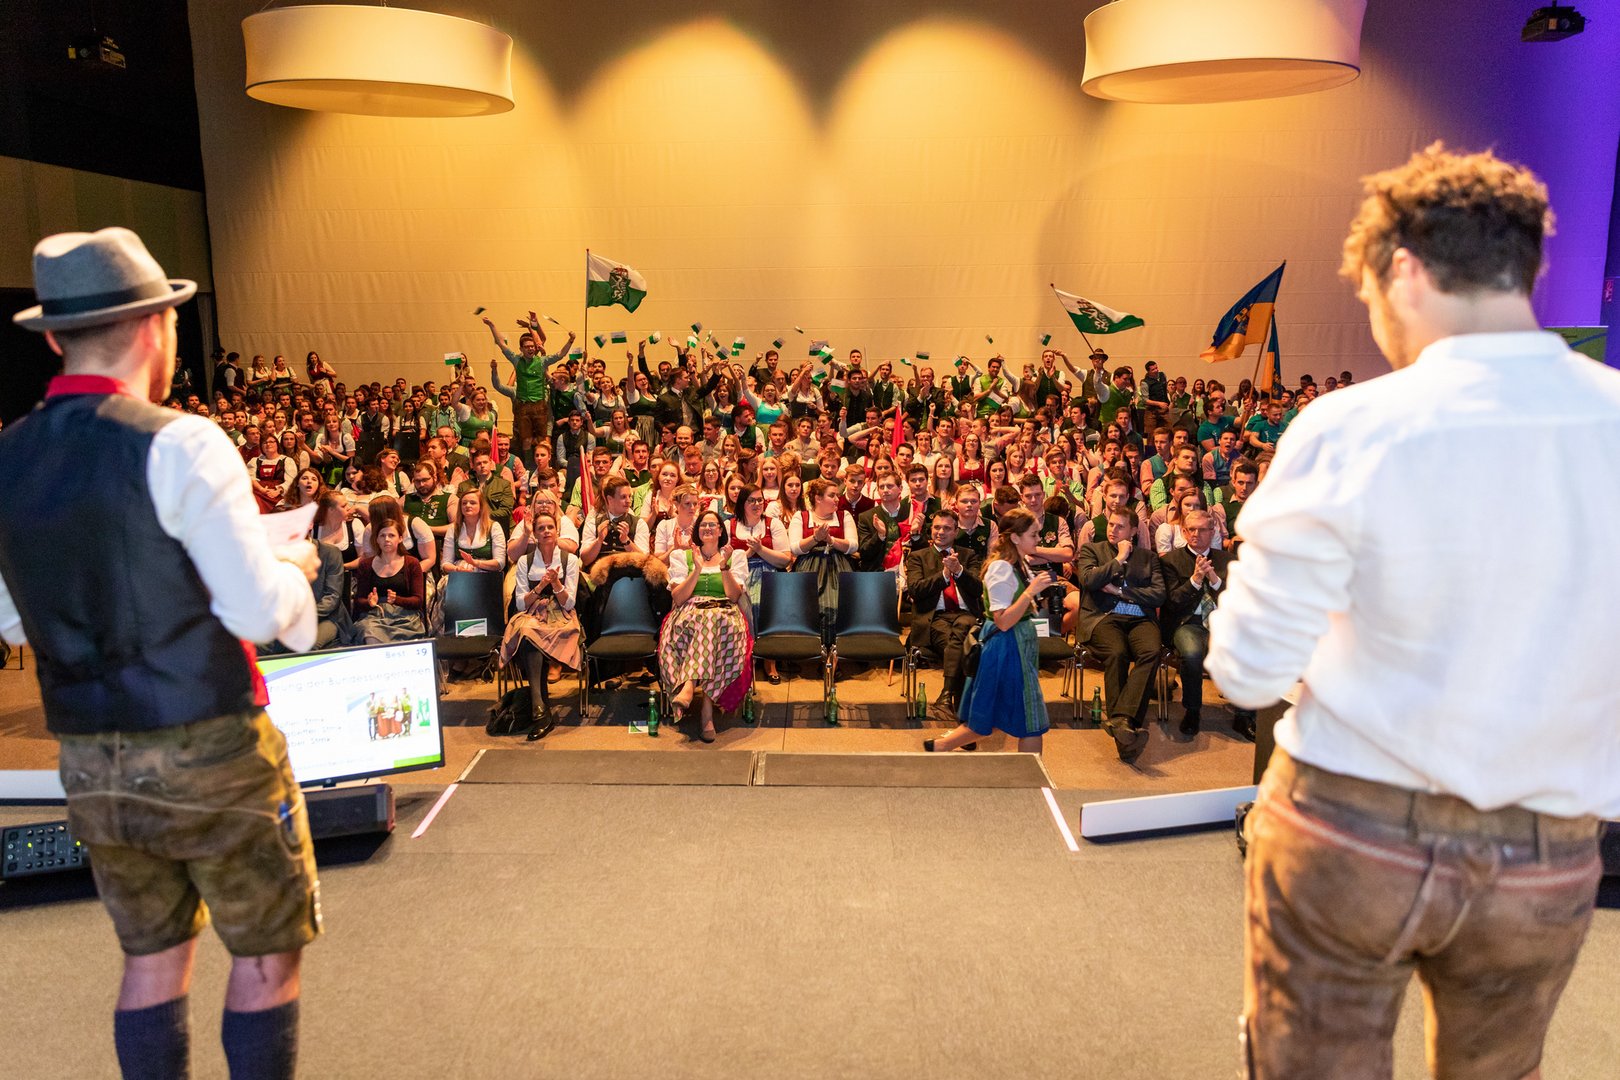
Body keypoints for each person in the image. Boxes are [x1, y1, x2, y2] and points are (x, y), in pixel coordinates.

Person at [1208, 144, 1620, 1079]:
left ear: (1403, 270)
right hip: (1546, 849)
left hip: (1349, 833)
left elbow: (1245, 671)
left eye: (1367, 297)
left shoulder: (1351, 426)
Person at [0, 227, 320, 1080]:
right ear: (154, 326)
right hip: (208, 742)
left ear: (59, 339)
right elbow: (256, 611)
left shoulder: (9, 456)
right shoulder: (181, 441)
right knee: (264, 954)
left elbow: (14, 621)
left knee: (151, 958)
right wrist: (295, 569)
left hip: (89, 757)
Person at [924, 507, 1053, 753]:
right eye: (1033, 534)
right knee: (1030, 720)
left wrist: (1039, 598)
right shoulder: (1000, 568)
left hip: (1018, 643)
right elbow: (1002, 620)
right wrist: (1030, 592)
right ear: (1015, 538)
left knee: (994, 712)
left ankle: (940, 745)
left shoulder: (1020, 564)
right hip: (1007, 646)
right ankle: (1032, 776)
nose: (1038, 539)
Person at [1077, 506, 1166, 761]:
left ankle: (1121, 720)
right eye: (1111, 524)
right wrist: (1118, 558)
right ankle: (1125, 732)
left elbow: (1158, 595)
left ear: (1134, 530)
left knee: (1151, 651)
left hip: (1140, 619)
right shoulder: (1092, 550)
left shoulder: (1148, 558)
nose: (1113, 530)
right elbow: (1089, 580)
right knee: (1117, 653)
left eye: (1120, 526)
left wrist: (1120, 592)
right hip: (1103, 617)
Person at [660, 509, 752, 743]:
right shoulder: (682, 557)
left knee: (711, 621)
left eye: (713, 525)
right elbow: (679, 598)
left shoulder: (735, 556)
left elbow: (733, 596)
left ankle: (691, 686)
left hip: (725, 612)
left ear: (721, 531)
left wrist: (724, 567)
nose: (708, 528)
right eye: (703, 525)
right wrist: (697, 569)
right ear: (697, 531)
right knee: (706, 623)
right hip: (688, 613)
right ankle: (706, 713)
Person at [498, 510, 581, 740]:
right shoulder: (525, 561)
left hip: (561, 615)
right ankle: (539, 707)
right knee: (526, 631)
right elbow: (520, 603)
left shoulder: (569, 560)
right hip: (533, 612)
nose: (546, 531)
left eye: (550, 527)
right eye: (541, 528)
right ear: (534, 534)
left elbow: (569, 603)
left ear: (557, 531)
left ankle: (539, 707)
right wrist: (540, 586)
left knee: (530, 634)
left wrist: (556, 584)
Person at [1156, 510, 1236, 742]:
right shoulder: (1170, 561)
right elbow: (1172, 602)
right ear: (1183, 532)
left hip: (1221, 623)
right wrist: (1195, 580)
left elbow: (1237, 600)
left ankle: (1244, 714)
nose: (1196, 534)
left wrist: (1215, 580)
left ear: (1212, 532)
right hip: (1186, 623)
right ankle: (1192, 711)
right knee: (1191, 655)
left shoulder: (1228, 561)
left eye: (1202, 530)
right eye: (1191, 529)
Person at [904, 508, 985, 710]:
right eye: (937, 527)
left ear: (956, 531)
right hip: (935, 618)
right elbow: (916, 590)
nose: (940, 532)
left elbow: (978, 589)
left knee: (962, 627)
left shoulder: (968, 555)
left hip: (965, 615)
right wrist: (944, 575)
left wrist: (959, 571)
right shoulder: (918, 557)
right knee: (961, 645)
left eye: (947, 528)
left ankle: (948, 693)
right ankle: (961, 703)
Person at [788, 478, 858, 644]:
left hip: (839, 567)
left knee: (837, 607)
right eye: (832, 495)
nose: (837, 499)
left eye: (837, 495)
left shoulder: (844, 515)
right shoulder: (801, 516)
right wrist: (815, 538)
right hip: (809, 569)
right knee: (810, 607)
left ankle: (835, 651)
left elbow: (853, 546)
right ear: (818, 498)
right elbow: (795, 548)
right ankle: (813, 649)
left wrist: (830, 540)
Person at [351, 519, 426, 643]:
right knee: (369, 632)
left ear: (400, 539)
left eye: (391, 535)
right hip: (375, 615)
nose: (386, 539)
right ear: (377, 539)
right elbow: (359, 600)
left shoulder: (412, 563)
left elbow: (418, 601)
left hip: (405, 616)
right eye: (382, 536)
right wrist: (369, 602)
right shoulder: (366, 565)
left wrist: (397, 599)